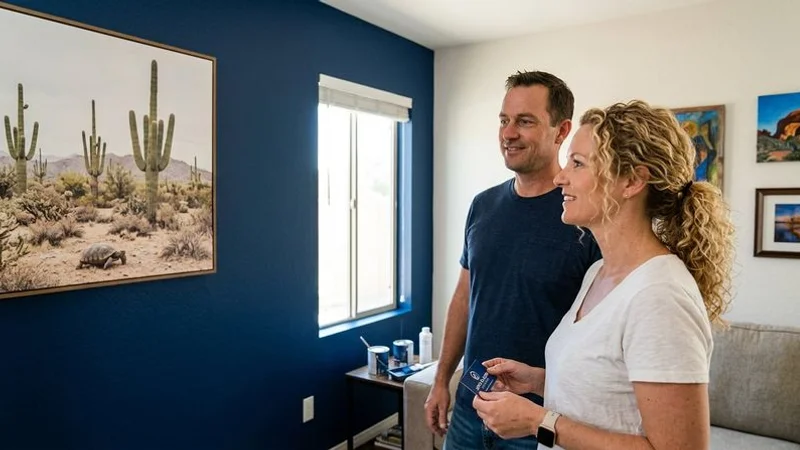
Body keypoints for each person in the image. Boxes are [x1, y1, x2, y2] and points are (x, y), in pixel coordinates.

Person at [472, 100, 735, 450]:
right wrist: (538, 382)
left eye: (577, 163)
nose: (560, 176)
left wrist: (539, 422)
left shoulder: (659, 296)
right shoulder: (600, 271)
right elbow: (609, 395)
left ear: (631, 181)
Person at [424, 70, 602, 450]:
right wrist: (442, 380)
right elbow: (464, 299)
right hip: (471, 411)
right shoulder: (482, 205)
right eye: (504, 120)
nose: (508, 133)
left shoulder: (583, 216)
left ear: (561, 130)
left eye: (525, 121)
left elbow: (599, 331)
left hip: (539, 422)